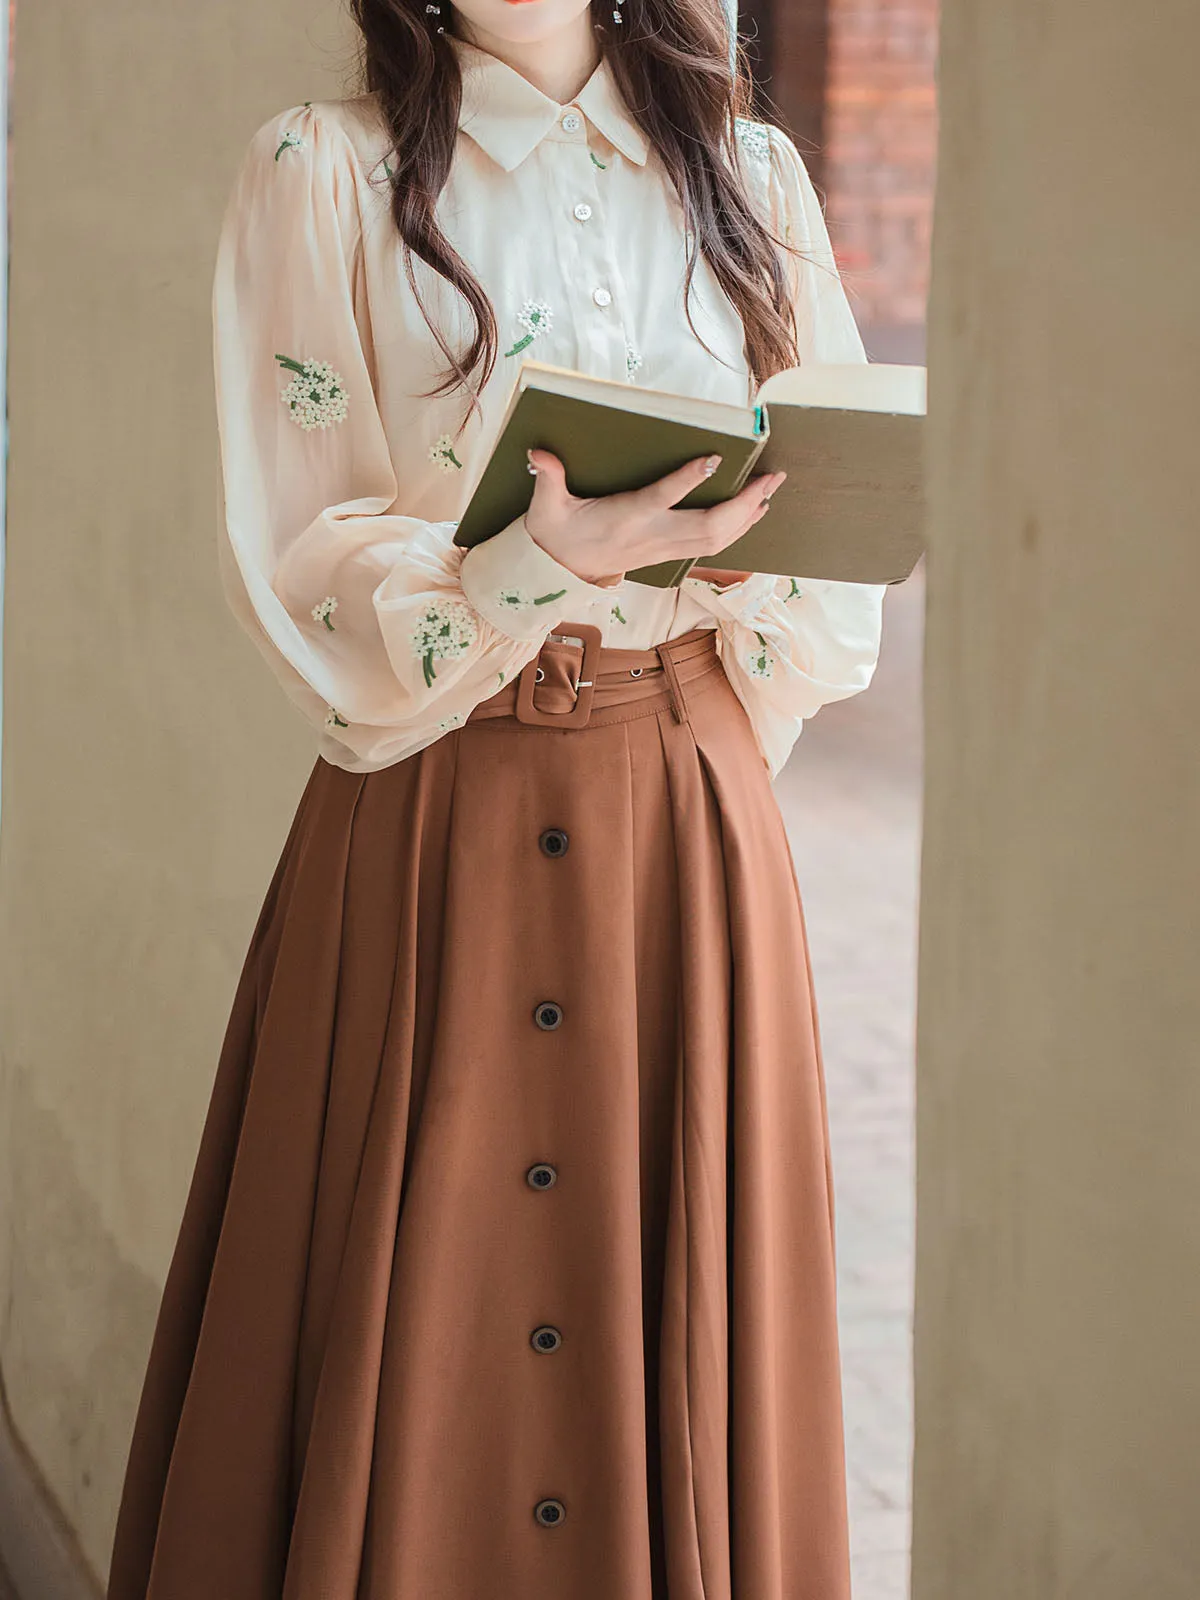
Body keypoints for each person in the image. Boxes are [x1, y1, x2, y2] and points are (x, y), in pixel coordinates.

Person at [105, 2, 886, 1596]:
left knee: (687, 1323)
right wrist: (532, 566)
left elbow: (837, 535)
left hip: (686, 821)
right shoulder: (324, 171)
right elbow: (303, 553)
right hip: (430, 822)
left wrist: (724, 577)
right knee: (409, 1326)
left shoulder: (752, 173)